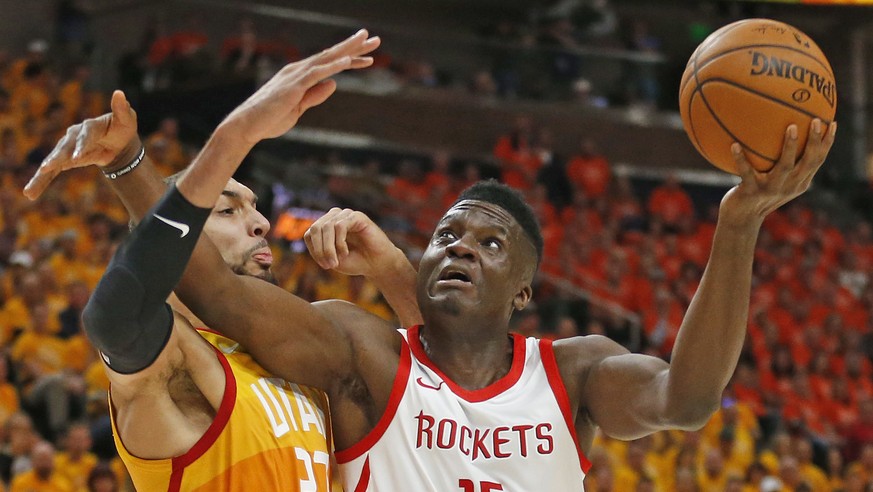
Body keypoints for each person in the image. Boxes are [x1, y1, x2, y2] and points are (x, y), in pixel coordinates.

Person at [26, 29, 837, 490]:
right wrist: (134, 168)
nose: (459, 247)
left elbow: (687, 399)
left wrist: (736, 225)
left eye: (489, 243)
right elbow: (202, 281)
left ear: (524, 290)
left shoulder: (575, 371)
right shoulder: (362, 351)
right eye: (448, 235)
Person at [23, 30, 424, 491]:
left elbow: (446, 391)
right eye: (227, 209)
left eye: (256, 208)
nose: (261, 224)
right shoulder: (174, 360)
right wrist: (236, 136)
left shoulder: (305, 351)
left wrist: (388, 265)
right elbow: (112, 318)